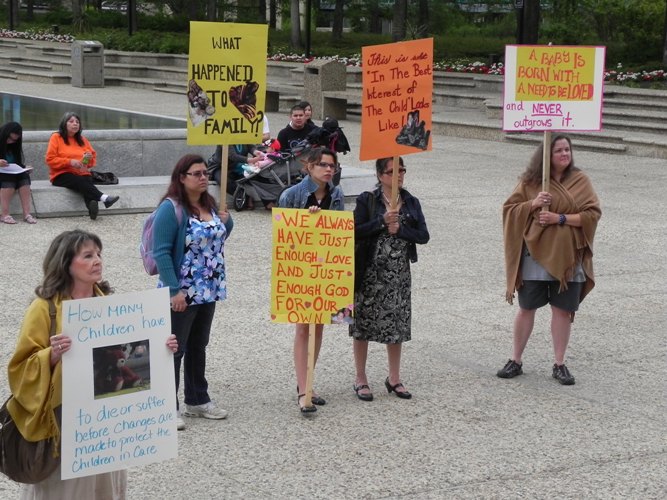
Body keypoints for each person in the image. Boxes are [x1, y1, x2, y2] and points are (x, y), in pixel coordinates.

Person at [6, 229, 178, 498]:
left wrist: (161, 348)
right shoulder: (44, 308)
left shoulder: (109, 305)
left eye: (99, 254)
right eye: (87, 255)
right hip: (64, 421)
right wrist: (50, 355)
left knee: (102, 487)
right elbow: (20, 368)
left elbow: (128, 350)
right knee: (66, 489)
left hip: (106, 421)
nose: (97, 260)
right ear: (65, 263)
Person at [497, 135, 601, 385]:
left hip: (567, 260)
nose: (565, 154)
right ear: (547, 155)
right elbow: (509, 209)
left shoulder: (580, 180)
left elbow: (592, 214)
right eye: (559, 150)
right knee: (527, 308)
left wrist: (560, 219)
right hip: (534, 255)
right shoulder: (531, 181)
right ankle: (516, 359)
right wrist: (533, 203)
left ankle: (559, 363)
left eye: (567, 149)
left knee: (562, 311)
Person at [153, 154, 234, 430]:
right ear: (182, 177)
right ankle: (167, 405)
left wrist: (227, 221)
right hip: (183, 291)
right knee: (175, 349)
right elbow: (161, 251)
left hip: (208, 289)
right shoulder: (171, 208)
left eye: (205, 173)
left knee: (199, 345)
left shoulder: (211, 204)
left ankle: (197, 399)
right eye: (197, 173)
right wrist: (174, 290)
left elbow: (215, 240)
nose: (204, 178)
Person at [350, 157, 429, 401]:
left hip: (398, 275)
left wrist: (401, 231)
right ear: (380, 175)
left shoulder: (411, 202)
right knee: (363, 325)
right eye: (393, 171)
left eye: (402, 170)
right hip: (370, 272)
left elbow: (423, 235)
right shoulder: (368, 200)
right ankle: (360, 378)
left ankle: (394, 378)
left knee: (397, 326)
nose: (399, 176)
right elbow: (354, 230)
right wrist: (381, 223)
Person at [278, 147, 345, 413]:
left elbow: (340, 233)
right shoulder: (291, 195)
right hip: (299, 268)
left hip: (326, 268)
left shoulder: (336, 194)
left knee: (319, 326)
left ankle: (308, 380)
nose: (329, 170)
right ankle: (303, 387)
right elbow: (282, 237)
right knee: (303, 327)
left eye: (332, 166)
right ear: (310, 167)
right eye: (324, 165)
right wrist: (306, 222)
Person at [45, 112, 119, 220]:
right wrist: (69, 162)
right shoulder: (56, 137)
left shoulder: (82, 139)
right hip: (61, 174)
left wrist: (88, 160)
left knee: (85, 181)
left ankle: (92, 207)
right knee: (80, 181)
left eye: (77, 122)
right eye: (71, 121)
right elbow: (50, 159)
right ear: (64, 124)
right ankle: (104, 198)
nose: (75, 124)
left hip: (82, 172)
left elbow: (92, 160)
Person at [0, 121, 37, 224]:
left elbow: (15, 164)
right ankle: (5, 214)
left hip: (8, 172)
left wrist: (24, 168)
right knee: (9, 179)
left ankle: (27, 214)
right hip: (4, 175)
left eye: (14, 140)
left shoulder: (13, 146)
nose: (11, 141)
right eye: (9, 138)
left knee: (24, 177)